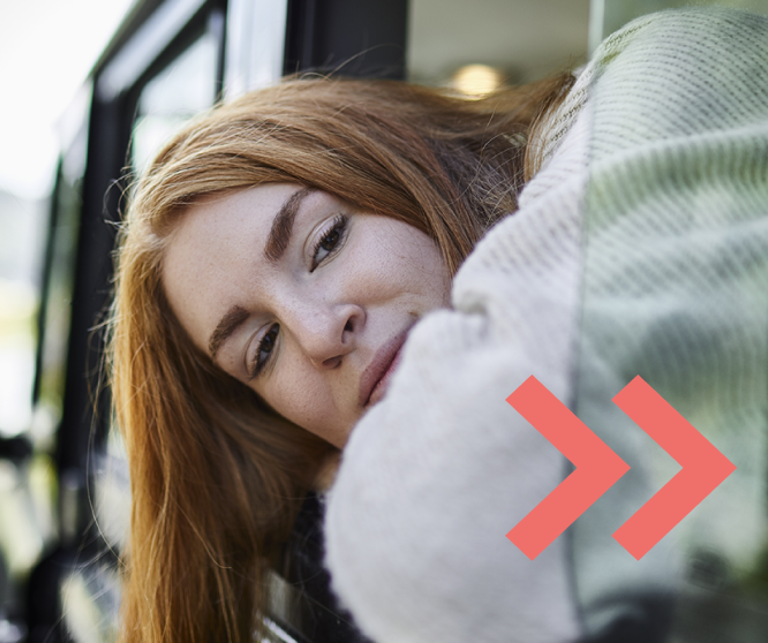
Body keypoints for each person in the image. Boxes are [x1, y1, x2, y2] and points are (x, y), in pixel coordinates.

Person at [109, 6, 768, 643]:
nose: (317, 334)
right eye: (264, 345)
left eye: (326, 241)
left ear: (396, 162)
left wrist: (396, 466)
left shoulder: (660, 83)